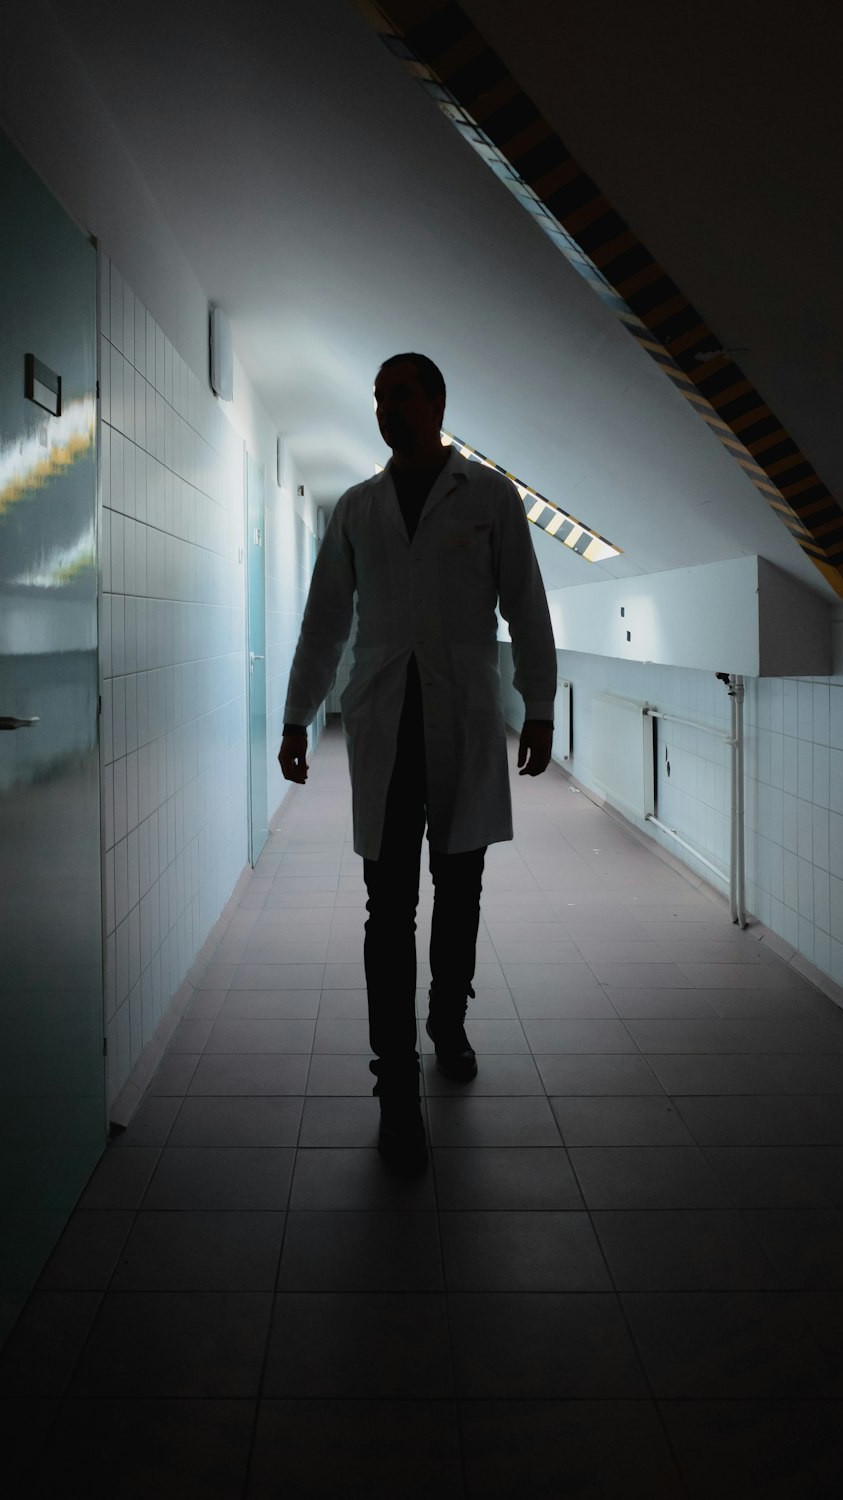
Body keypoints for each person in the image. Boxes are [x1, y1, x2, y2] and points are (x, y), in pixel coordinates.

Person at [279, 354, 557, 1172]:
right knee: (388, 904)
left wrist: (538, 705)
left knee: (461, 886)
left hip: (465, 718)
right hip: (384, 722)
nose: (385, 408)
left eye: (399, 394)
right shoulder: (359, 508)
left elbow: (527, 605)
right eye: (378, 397)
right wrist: (297, 716)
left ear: (436, 403)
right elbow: (324, 621)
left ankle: (446, 1020)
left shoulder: (491, 498)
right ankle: (396, 1083)